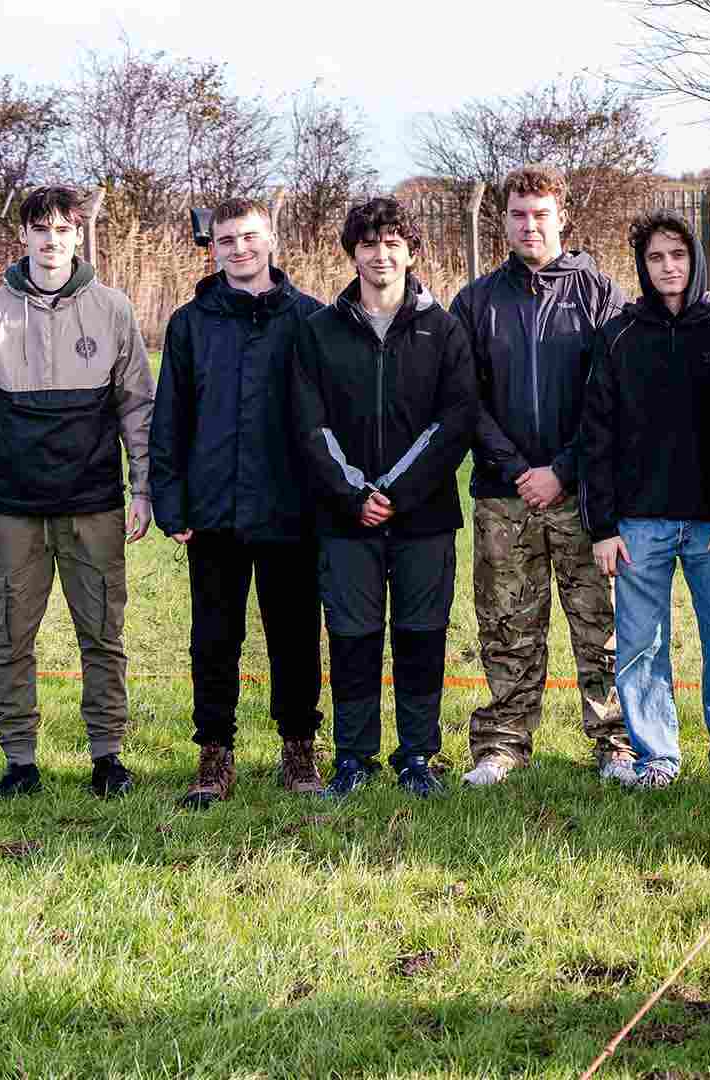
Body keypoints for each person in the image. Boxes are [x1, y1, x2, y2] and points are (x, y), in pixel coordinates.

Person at [0, 184, 154, 799]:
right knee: (11, 636)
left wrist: (142, 489)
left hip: (94, 505)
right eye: (41, 229)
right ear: (24, 237)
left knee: (103, 635)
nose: (52, 241)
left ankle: (108, 756)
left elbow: (138, 407)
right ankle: (19, 761)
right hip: (12, 510)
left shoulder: (113, 308)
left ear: (79, 236)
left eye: (64, 230)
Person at [451, 164, 632, 785]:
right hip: (505, 497)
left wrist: (562, 469)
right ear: (502, 220)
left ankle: (615, 741)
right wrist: (517, 468)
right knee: (506, 624)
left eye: (540, 214)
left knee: (600, 623)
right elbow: (463, 400)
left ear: (563, 217)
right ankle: (502, 744)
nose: (529, 225)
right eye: (518, 214)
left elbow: (610, 397)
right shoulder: (476, 301)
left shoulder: (600, 294)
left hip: (581, 494)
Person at [290, 197, 476, 799]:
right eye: (369, 243)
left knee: (422, 635)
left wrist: (395, 491)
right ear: (352, 253)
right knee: (352, 636)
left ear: (411, 250)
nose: (381, 254)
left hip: (424, 518)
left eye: (393, 242)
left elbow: (454, 421)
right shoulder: (317, 333)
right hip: (346, 520)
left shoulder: (443, 328)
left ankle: (418, 755)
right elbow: (309, 423)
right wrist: (353, 494)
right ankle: (352, 757)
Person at [150, 197, 327, 807]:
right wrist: (170, 503)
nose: (240, 249)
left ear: (272, 238)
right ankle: (214, 755)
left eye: (250, 237)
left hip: (291, 511)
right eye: (226, 240)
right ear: (213, 247)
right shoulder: (190, 323)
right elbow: (168, 420)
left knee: (296, 634)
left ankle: (300, 747)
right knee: (214, 637)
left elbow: (329, 423)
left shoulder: (310, 318)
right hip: (213, 513)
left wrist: (329, 501)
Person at [582, 211, 710, 790]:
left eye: (677, 255)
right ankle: (657, 760)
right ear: (642, 267)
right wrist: (602, 524)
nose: (668, 267)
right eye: (655, 258)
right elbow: (596, 433)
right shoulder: (619, 335)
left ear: (695, 259)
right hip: (639, 523)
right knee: (640, 646)